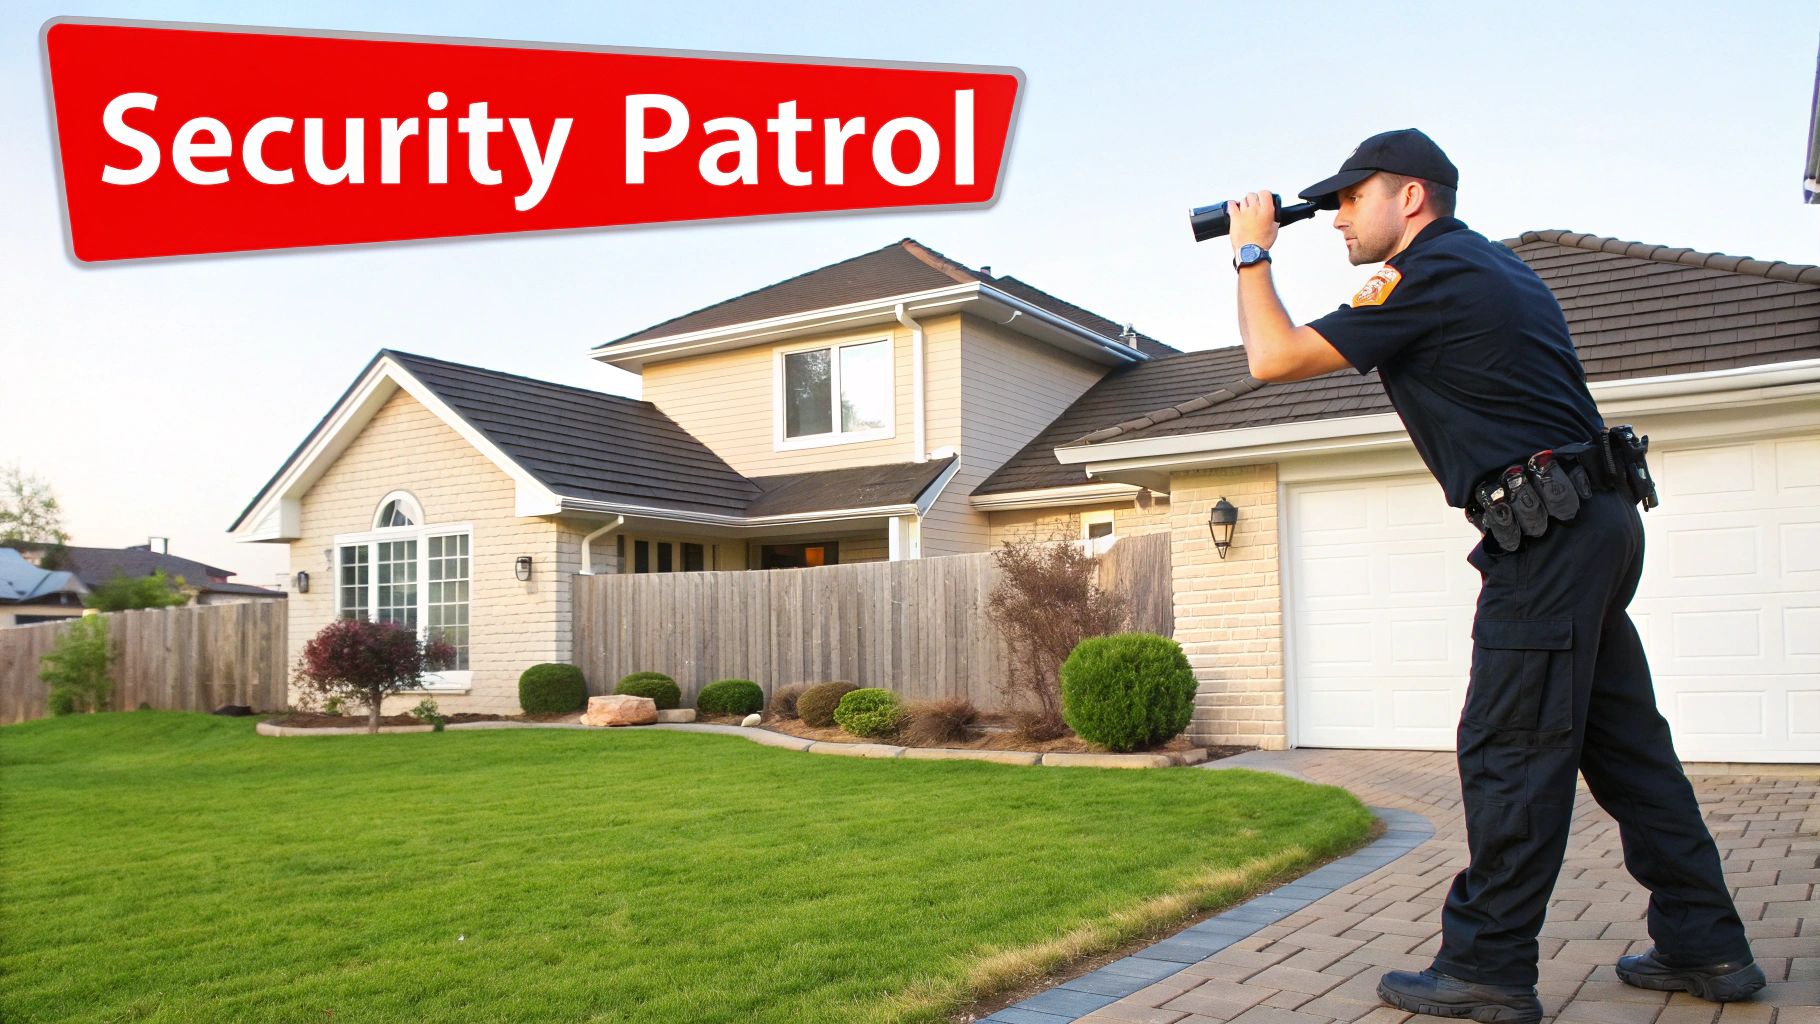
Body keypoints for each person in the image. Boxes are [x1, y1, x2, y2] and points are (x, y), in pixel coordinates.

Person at [1222, 129, 1766, 1023]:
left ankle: (1489, 967)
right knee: (1629, 752)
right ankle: (1706, 943)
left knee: (1510, 750)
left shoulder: (1426, 273)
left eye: (1350, 200)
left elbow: (1272, 358)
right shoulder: (1495, 268)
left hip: (1548, 540)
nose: (1338, 219)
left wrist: (1252, 250)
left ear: (1411, 198)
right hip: (1591, 523)